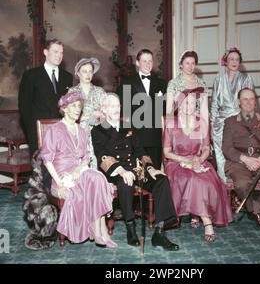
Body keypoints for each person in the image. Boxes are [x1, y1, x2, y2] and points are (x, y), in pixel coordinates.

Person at [91, 93, 180, 251]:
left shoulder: (128, 127)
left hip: (137, 169)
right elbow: (102, 157)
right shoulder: (98, 130)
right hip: (115, 172)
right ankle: (131, 230)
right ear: (103, 109)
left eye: (117, 106)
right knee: (125, 183)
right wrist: (121, 171)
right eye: (111, 106)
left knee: (162, 181)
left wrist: (151, 168)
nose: (116, 109)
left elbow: (140, 151)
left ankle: (159, 232)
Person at [40, 91, 117, 248]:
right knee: (97, 180)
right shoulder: (54, 130)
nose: (77, 109)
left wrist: (79, 169)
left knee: (97, 178)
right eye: (74, 106)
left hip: (80, 172)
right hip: (62, 176)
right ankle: (99, 229)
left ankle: (99, 230)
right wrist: (59, 183)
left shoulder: (82, 131)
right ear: (65, 108)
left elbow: (86, 158)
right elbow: (47, 161)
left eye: (79, 107)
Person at [163, 88, 233, 242]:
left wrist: (200, 159)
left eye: (193, 103)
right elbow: (167, 152)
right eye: (186, 103)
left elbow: (207, 148)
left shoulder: (201, 122)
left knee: (206, 180)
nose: (189, 106)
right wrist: (185, 160)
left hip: (198, 160)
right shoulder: (171, 123)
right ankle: (207, 222)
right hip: (176, 163)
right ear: (179, 104)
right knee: (192, 179)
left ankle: (196, 212)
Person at [222, 88, 260, 227]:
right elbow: (227, 148)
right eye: (245, 99)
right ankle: (257, 210)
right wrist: (245, 159)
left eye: (251, 98)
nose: (248, 102)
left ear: (255, 102)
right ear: (239, 102)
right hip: (239, 161)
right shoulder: (230, 122)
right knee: (242, 184)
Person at [18, 39, 73, 157]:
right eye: (55, 51)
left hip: (61, 132)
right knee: (41, 171)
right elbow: (24, 107)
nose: (59, 56)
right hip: (39, 132)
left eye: (61, 53)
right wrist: (32, 132)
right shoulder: (31, 75)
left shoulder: (67, 77)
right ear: (45, 52)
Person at [117, 49, 167, 169]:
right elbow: (123, 112)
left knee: (155, 174)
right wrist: (127, 135)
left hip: (155, 137)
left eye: (150, 61)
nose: (147, 64)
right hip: (136, 138)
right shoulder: (127, 83)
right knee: (138, 175)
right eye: (144, 61)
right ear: (138, 63)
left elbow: (164, 111)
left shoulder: (161, 83)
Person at [211, 47, 254, 182]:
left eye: (237, 59)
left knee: (237, 155)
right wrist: (212, 124)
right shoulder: (218, 79)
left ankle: (237, 188)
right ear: (225, 61)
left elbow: (249, 104)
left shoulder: (246, 78)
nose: (234, 62)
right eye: (231, 59)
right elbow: (214, 104)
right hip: (220, 124)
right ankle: (223, 187)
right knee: (220, 155)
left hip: (239, 122)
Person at [68, 57, 107, 169]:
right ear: (78, 73)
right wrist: (86, 116)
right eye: (84, 71)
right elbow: (68, 116)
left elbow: (107, 116)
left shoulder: (100, 92)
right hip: (78, 136)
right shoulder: (72, 92)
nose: (88, 74)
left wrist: (100, 116)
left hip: (98, 136)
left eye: (90, 71)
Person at [166, 50, 208, 117]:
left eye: (193, 63)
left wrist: (205, 126)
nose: (190, 66)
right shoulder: (173, 83)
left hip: (198, 123)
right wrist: (170, 125)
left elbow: (204, 110)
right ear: (181, 65)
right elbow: (169, 109)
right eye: (187, 63)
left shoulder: (201, 84)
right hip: (179, 123)